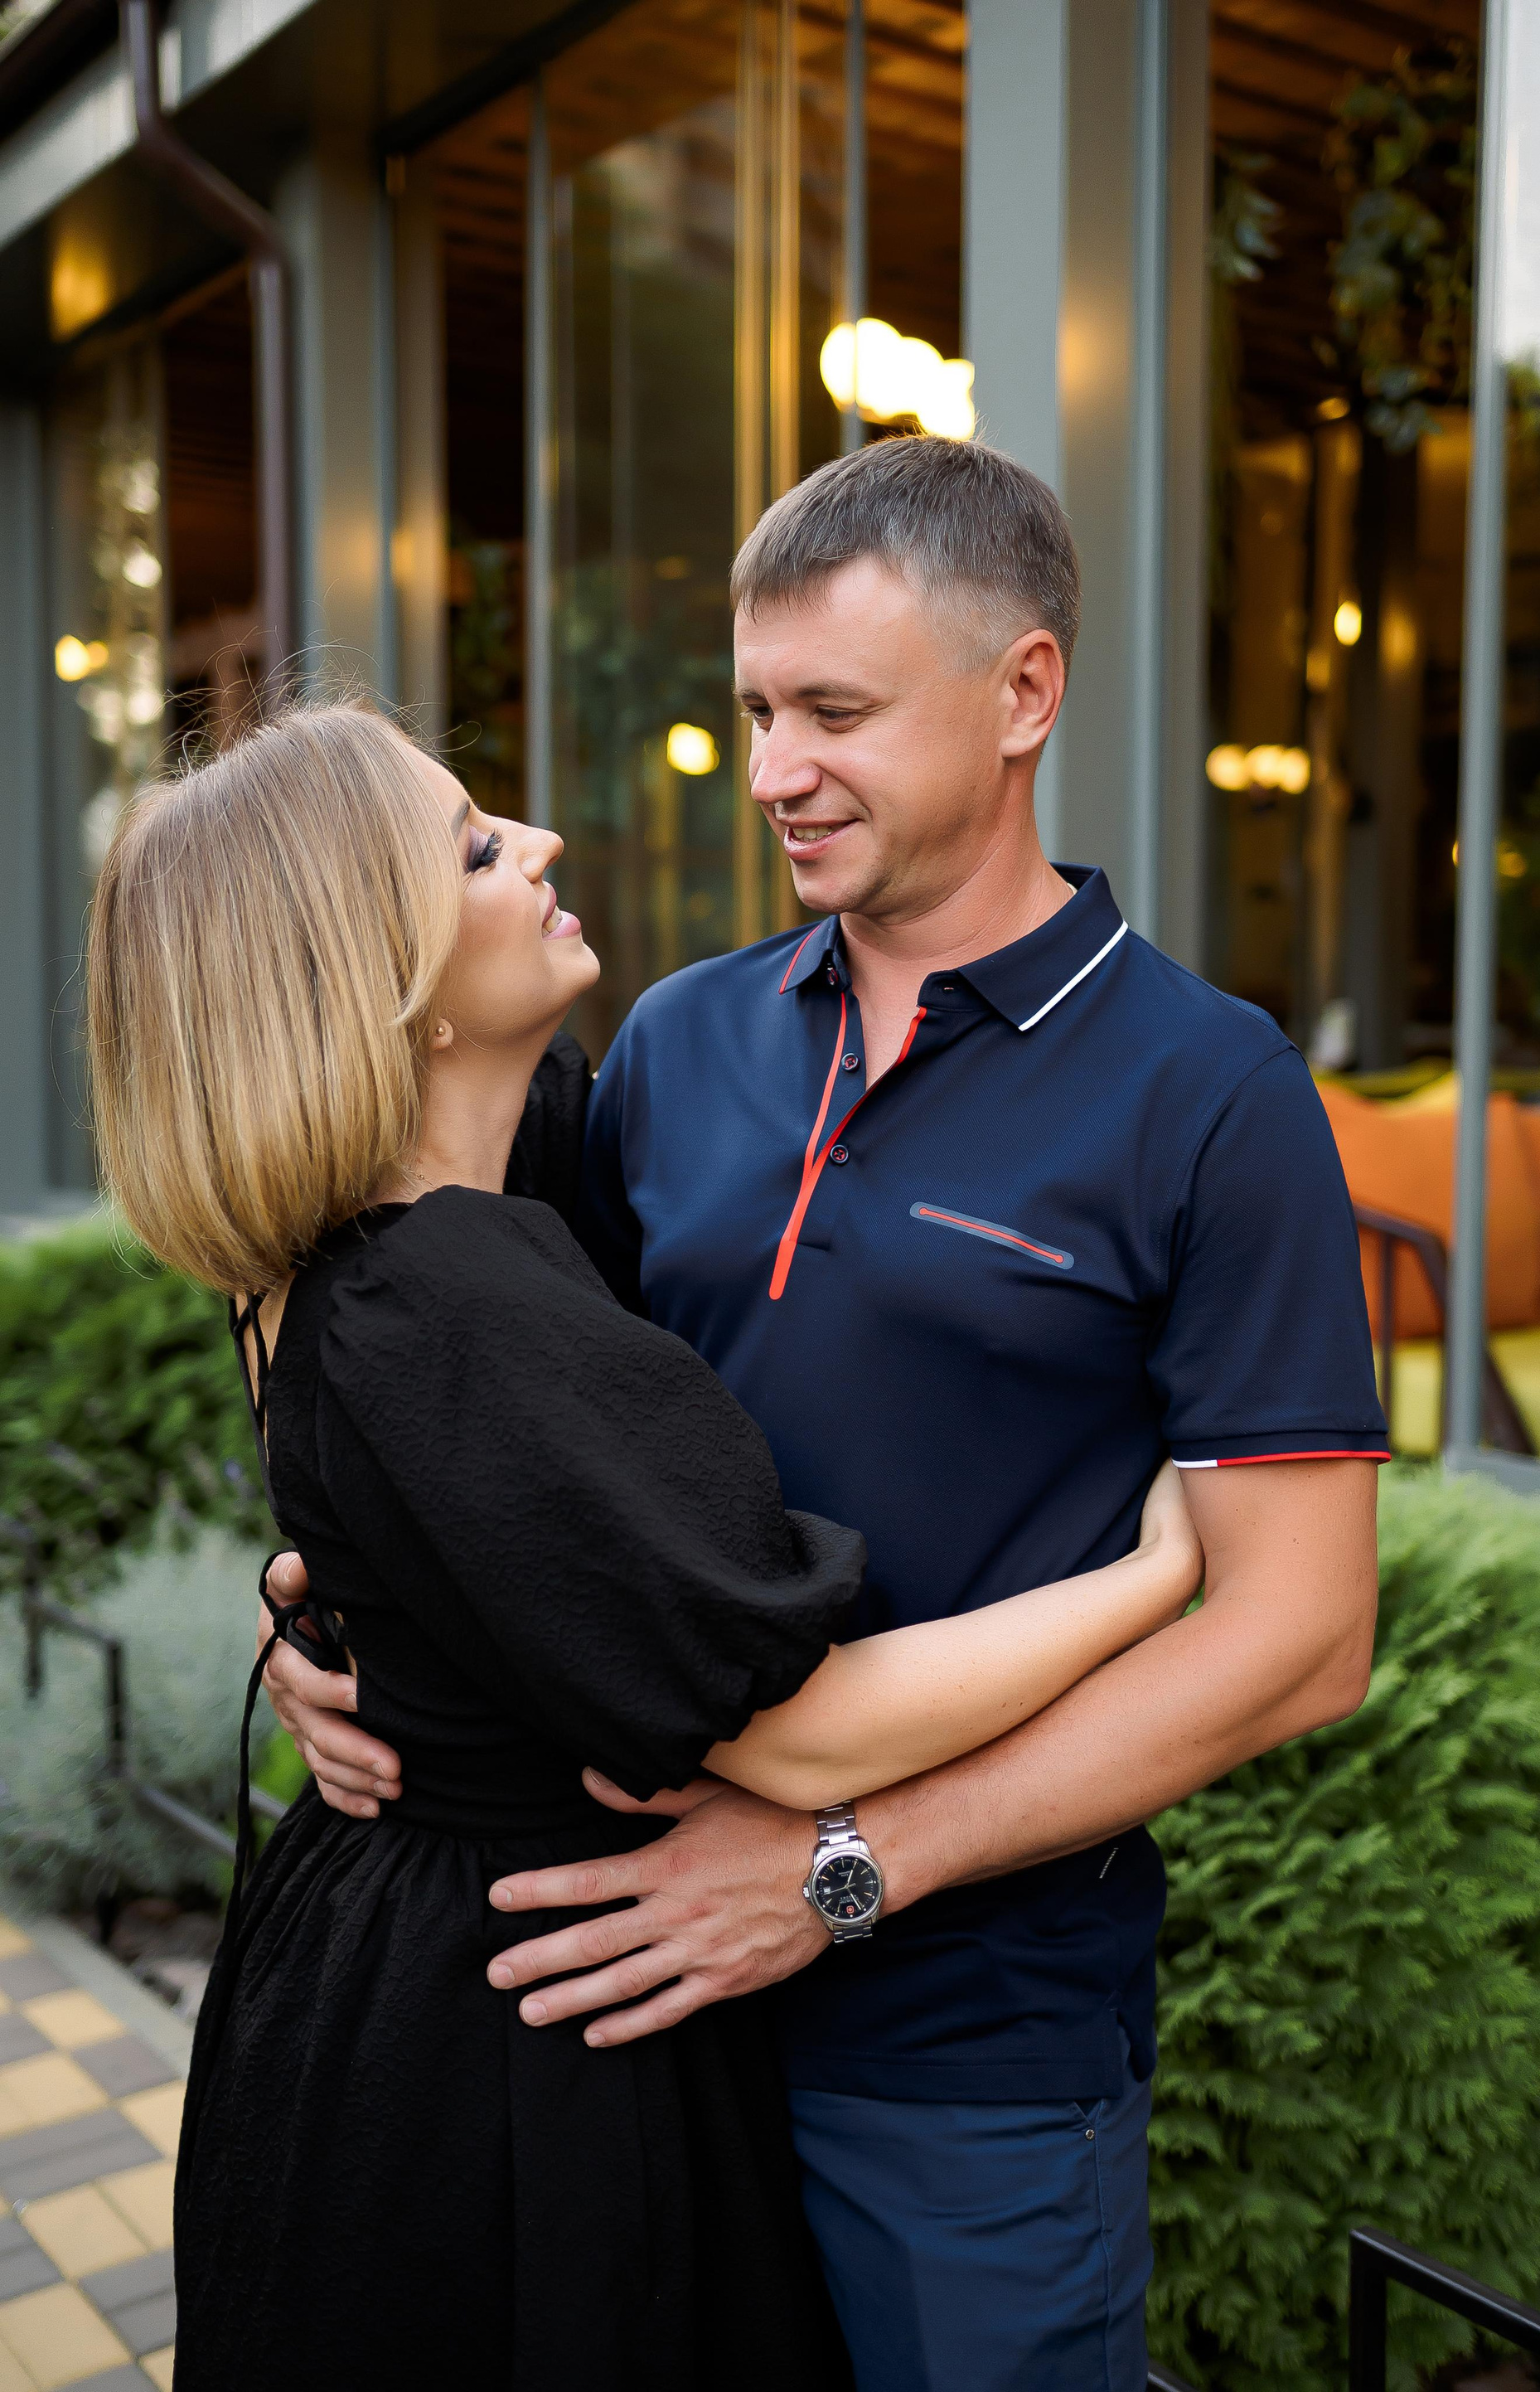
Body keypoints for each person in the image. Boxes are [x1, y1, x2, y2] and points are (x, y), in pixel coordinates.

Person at [273, 435, 1388, 2390]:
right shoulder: (674, 1042)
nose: (775, 770)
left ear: (1023, 693)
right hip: (644, 2023)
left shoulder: (1212, 1095)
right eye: (758, 711)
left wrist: (840, 1868)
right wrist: (331, 1631)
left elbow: (1300, 1637)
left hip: (969, 2061)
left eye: (836, 714)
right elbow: (467, 1412)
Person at [85, 700, 1206, 2391]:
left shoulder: (402, 1233)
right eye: (476, 847)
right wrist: (1150, 1576)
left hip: (405, 1981)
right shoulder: (452, 1300)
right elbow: (804, 1731)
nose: (539, 841)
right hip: (519, 2040)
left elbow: (416, 1513)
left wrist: (319, 1606)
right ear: (378, 975)